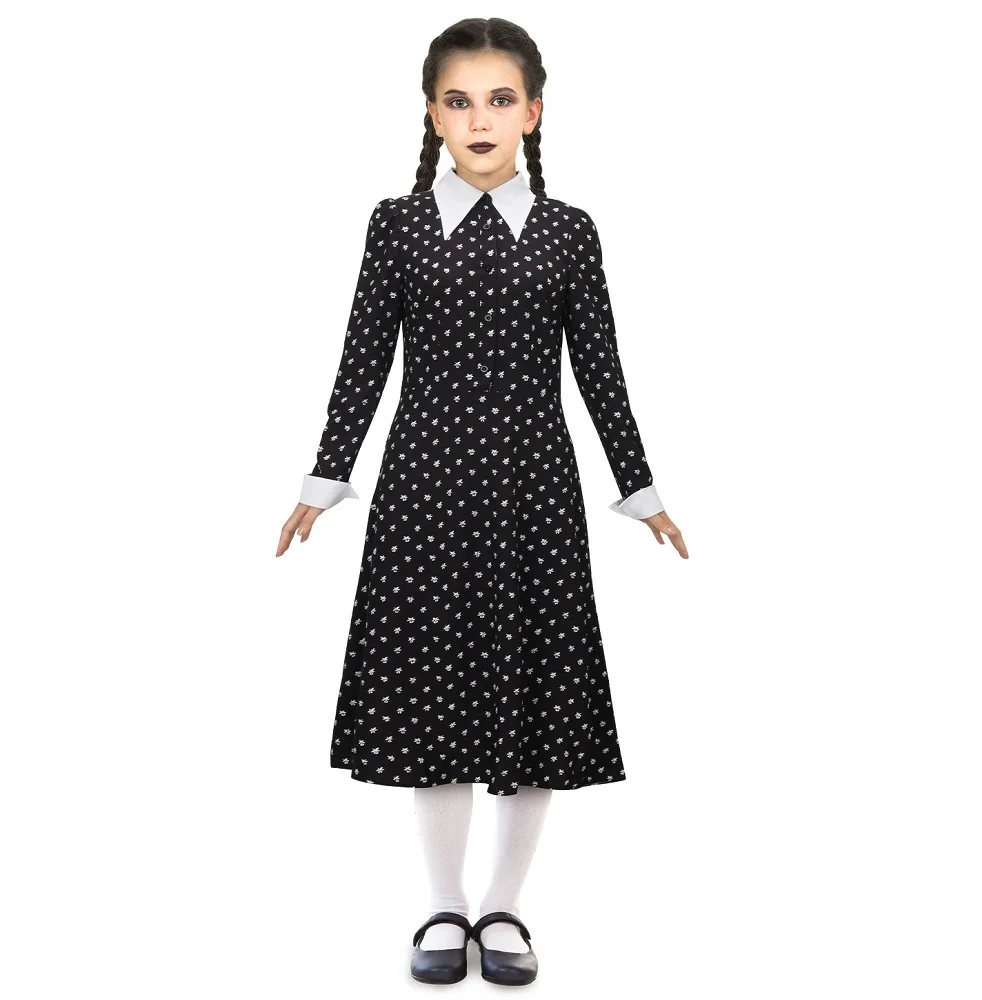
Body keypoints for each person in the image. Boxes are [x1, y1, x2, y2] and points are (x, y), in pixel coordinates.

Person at [276, 16, 688, 986]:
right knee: (433, 704)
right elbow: (362, 363)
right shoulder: (397, 224)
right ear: (432, 114)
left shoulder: (569, 232)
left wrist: (641, 489)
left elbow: (601, 372)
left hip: (534, 495)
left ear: (533, 112)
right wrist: (323, 481)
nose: (479, 119)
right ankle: (442, 906)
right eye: (458, 101)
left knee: (533, 703)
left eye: (500, 99)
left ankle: (504, 905)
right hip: (423, 495)